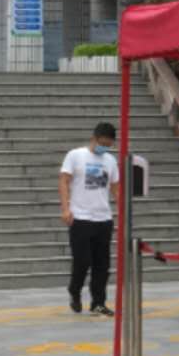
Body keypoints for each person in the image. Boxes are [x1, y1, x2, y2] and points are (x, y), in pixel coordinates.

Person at [59, 122, 120, 317]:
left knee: (102, 264)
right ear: (94, 138)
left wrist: (122, 207)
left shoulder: (110, 160)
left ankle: (98, 303)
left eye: (108, 145)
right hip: (81, 218)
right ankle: (74, 290)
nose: (105, 148)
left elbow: (115, 187)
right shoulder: (76, 155)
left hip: (103, 218)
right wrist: (66, 208)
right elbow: (64, 181)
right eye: (102, 143)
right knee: (82, 261)